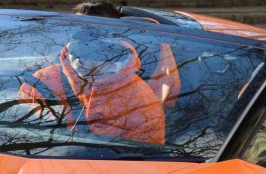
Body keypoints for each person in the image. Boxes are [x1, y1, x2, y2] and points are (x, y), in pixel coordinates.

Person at [19, 35, 167, 145]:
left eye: (91, 54)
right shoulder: (42, 80)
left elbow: (142, 157)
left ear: (115, 61)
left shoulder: (142, 104)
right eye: (75, 51)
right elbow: (20, 126)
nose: (79, 60)